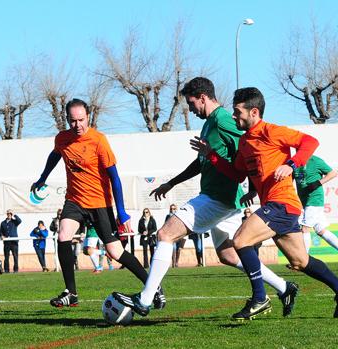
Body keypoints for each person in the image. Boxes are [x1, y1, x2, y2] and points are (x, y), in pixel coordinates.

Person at [114, 78, 299, 320]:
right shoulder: (209, 124)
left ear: (203, 97)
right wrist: (172, 182)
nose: (190, 109)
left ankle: (145, 300)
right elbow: (203, 161)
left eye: (191, 103)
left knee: (165, 234)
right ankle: (285, 288)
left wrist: (256, 185)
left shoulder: (223, 120)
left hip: (218, 198)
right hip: (223, 200)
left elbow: (251, 147)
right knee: (228, 254)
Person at [190, 87, 338, 319]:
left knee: (240, 240)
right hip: (276, 207)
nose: (235, 116)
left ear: (254, 112)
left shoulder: (271, 131)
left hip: (283, 204)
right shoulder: (245, 142)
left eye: (238, 112)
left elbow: (310, 141)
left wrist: (292, 164)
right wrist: (213, 156)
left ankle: (259, 298)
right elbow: (238, 174)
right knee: (300, 261)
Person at [31, 98, 164, 309]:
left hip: (99, 203)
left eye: (81, 120)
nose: (78, 125)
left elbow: (115, 178)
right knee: (64, 235)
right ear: (67, 119)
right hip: (74, 200)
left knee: (115, 252)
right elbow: (55, 156)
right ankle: (71, 293)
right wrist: (42, 178)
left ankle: (153, 286)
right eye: (73, 121)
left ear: (88, 117)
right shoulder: (62, 139)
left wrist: (121, 212)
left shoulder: (98, 140)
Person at [293, 156, 338, 270]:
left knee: (305, 228)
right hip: (304, 201)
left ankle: (303, 261)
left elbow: (332, 173)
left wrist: (318, 183)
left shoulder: (314, 160)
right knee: (320, 230)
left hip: (315, 199)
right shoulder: (294, 161)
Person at [0, 209, 21, 273]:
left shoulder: (14, 222)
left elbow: (19, 221)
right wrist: (1, 236)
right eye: (8, 213)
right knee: (6, 257)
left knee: (15, 256)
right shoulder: (3, 223)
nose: (9, 215)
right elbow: (0, 232)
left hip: (14, 242)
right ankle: (6, 270)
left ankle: (16, 269)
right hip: (6, 243)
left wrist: (14, 214)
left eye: (10, 214)